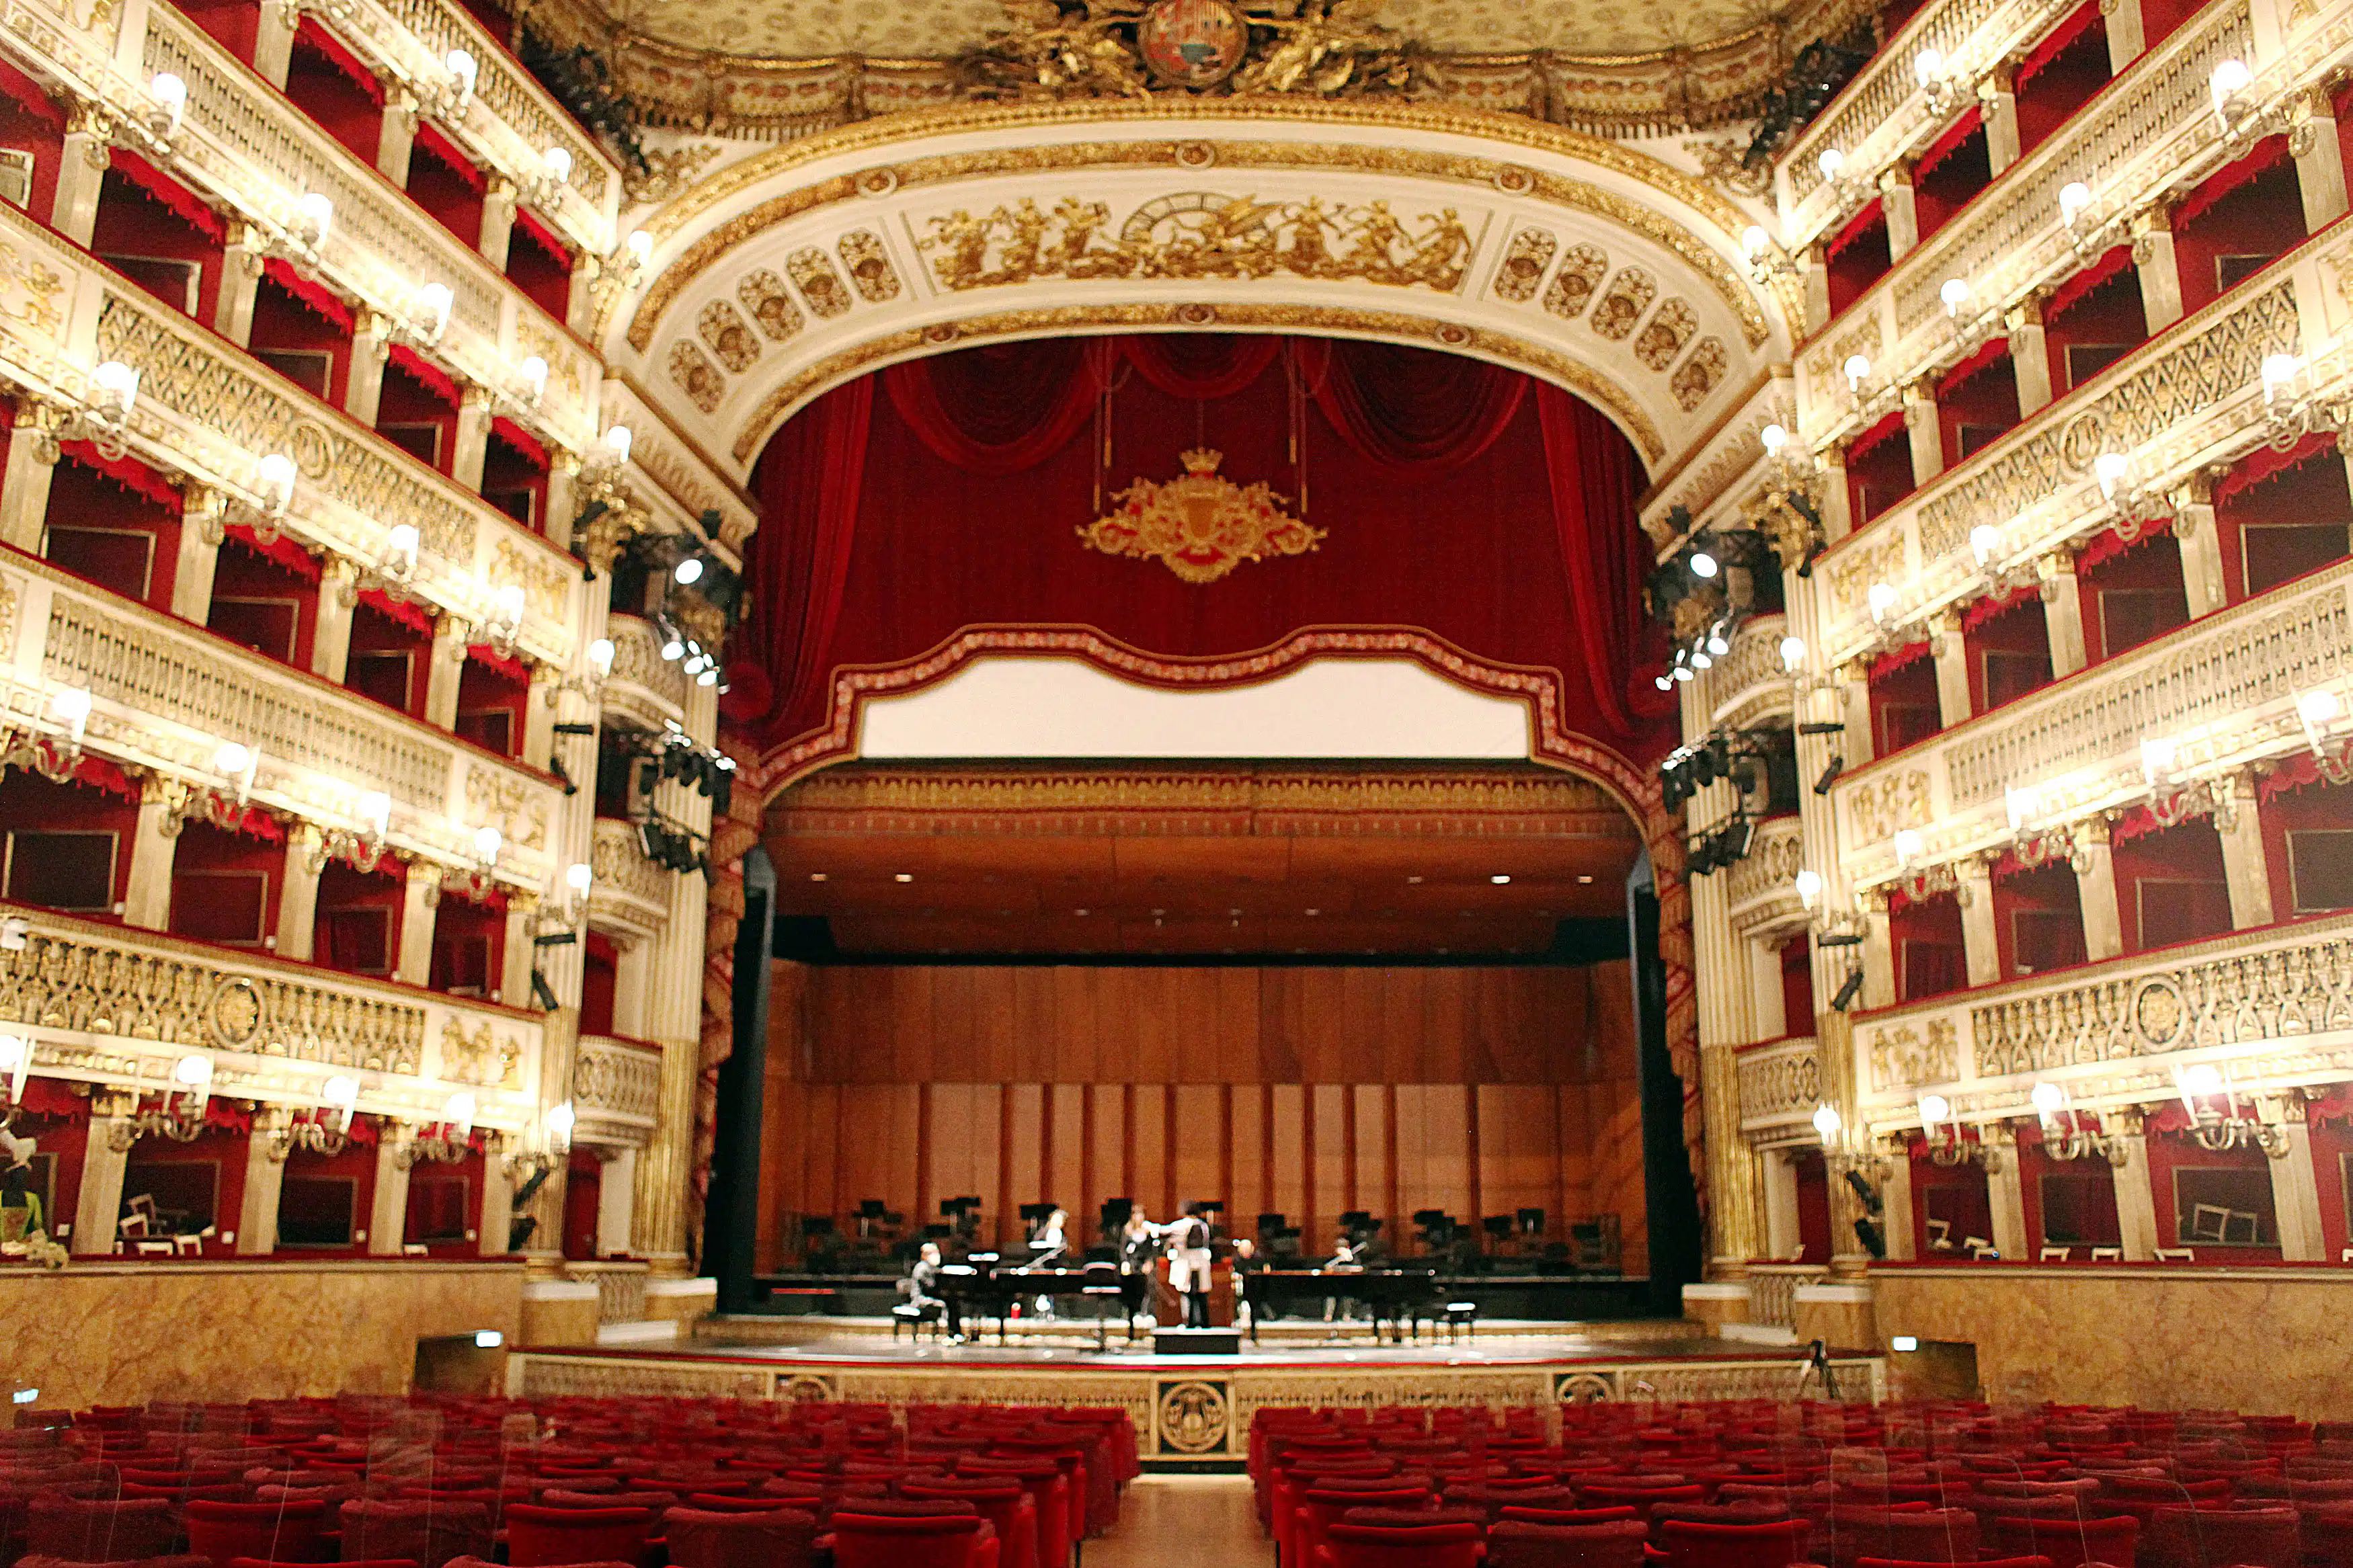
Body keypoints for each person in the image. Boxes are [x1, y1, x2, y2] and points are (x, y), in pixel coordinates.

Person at [1167, 1204, 1214, 1329]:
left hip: (1187, 1263)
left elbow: (1165, 1232)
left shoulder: (1183, 1224)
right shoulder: (1204, 1225)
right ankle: (1205, 1323)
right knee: (1201, 1295)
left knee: (1187, 1294)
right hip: (1201, 1263)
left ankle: (1188, 1322)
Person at [906, 1241, 963, 1342]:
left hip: (929, 1295)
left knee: (952, 1303)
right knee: (950, 1304)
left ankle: (954, 1332)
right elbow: (930, 1286)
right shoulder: (922, 1267)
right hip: (920, 1299)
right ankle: (952, 1333)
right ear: (926, 1255)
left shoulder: (930, 1267)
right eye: (934, 1253)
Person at [1118, 1206, 1164, 1327]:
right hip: (1132, 1263)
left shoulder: (1148, 1231)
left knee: (1146, 1288)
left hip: (1144, 1264)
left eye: (1141, 1214)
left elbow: (1152, 1250)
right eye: (1137, 1215)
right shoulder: (1127, 1230)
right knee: (1131, 1289)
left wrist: (1150, 1262)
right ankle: (1129, 1315)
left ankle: (1145, 1313)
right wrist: (1125, 1262)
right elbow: (1123, 1249)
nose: (1139, 1217)